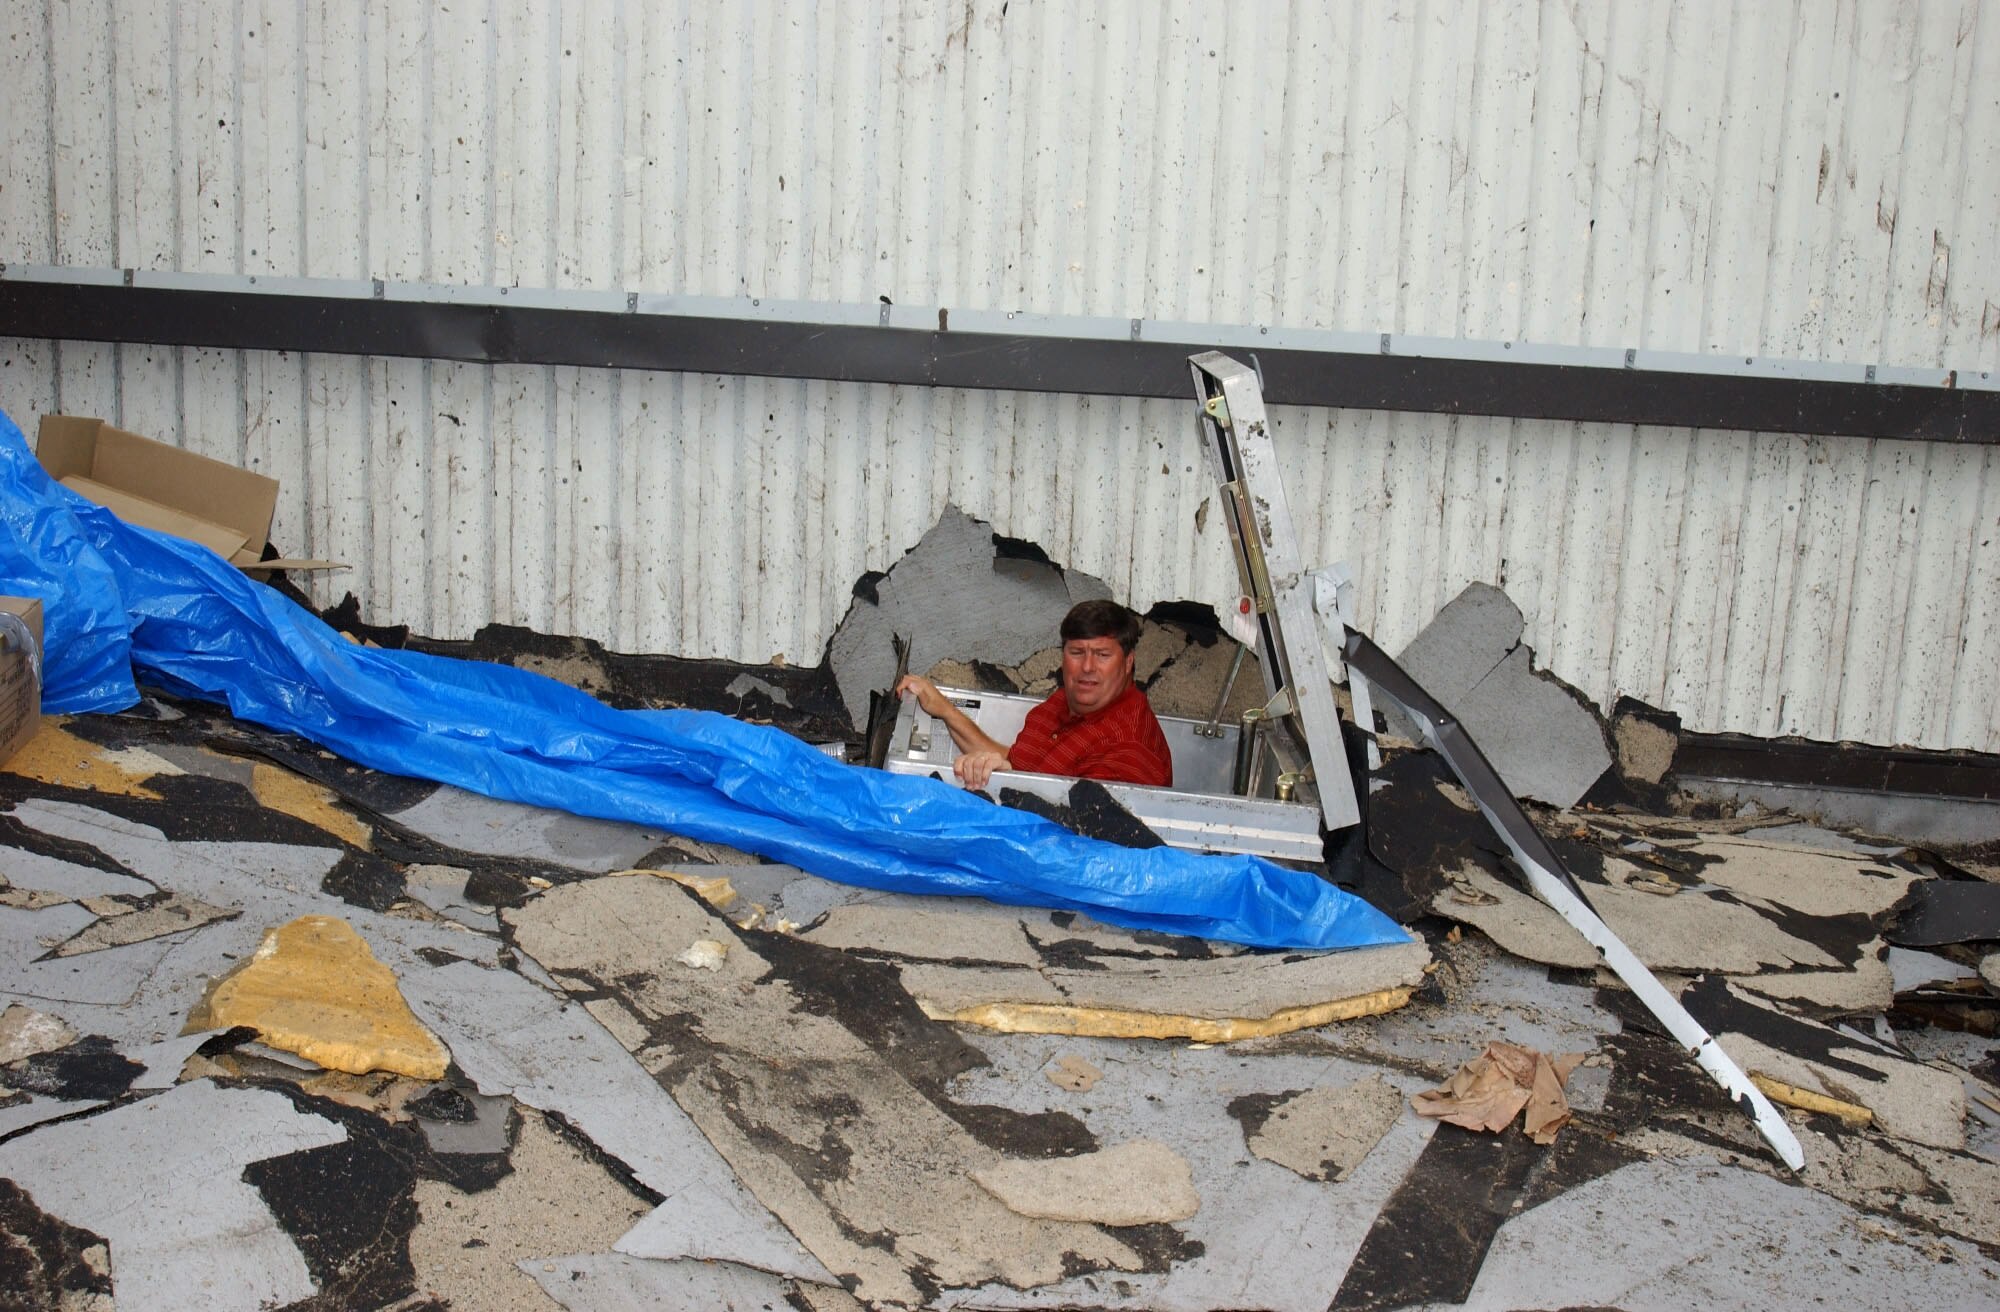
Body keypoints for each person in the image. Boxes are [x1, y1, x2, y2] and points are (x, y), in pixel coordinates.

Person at [896, 599, 1174, 791]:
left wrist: (1003, 780)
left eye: (1102, 655)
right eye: (1077, 653)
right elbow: (1022, 766)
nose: (1087, 667)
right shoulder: (1066, 702)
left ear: (1127, 663)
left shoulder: (1128, 747)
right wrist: (944, 709)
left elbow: (1076, 834)